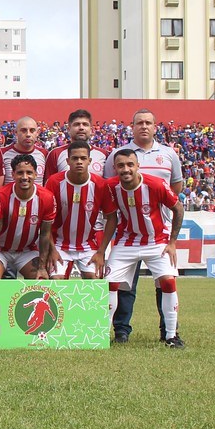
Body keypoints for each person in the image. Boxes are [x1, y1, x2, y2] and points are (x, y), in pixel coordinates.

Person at [104, 109, 184, 343]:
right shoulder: (111, 181)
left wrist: (172, 242)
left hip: (157, 238)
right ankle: (108, 333)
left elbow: (177, 204)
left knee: (167, 282)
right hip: (126, 240)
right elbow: (106, 207)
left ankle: (170, 334)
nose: (126, 169)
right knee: (115, 285)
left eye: (148, 122)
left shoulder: (163, 169)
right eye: (139, 122)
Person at [44, 141, 117, 280]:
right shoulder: (54, 182)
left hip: (88, 245)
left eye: (83, 158)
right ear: (68, 161)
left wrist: (101, 252)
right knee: (56, 281)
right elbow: (44, 219)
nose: (79, 162)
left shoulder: (100, 185)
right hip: (59, 244)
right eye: (75, 158)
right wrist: (51, 250)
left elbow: (112, 218)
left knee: (95, 282)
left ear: (89, 161)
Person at [0, 155, 56, 280]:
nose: (25, 177)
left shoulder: (47, 198)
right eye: (20, 173)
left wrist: (42, 267)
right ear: (13, 174)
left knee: (41, 281)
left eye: (29, 173)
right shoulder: (0, 196)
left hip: (27, 251)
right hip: (1, 251)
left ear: (36, 174)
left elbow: (45, 234)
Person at [42, 109, 110, 180]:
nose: (81, 128)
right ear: (68, 129)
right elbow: (49, 186)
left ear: (91, 130)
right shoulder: (55, 154)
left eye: (85, 124)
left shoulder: (103, 154)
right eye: (77, 124)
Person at [2, 117, 48, 184]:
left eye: (32, 130)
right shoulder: (2, 153)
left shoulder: (44, 154)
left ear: (37, 132)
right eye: (23, 130)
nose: (28, 134)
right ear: (16, 132)